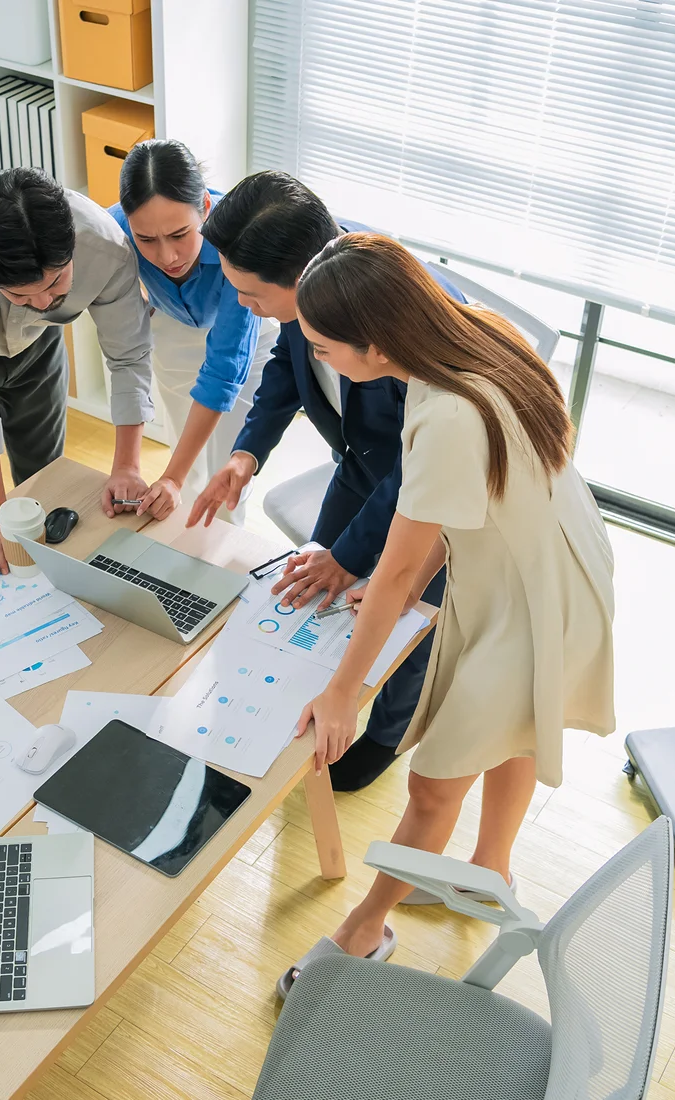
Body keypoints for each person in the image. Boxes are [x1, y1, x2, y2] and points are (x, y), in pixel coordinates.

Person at [278, 232, 614, 993]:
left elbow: (396, 570)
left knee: (431, 786)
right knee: (519, 726)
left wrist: (342, 692)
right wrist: (404, 575)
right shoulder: (479, 335)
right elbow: (449, 516)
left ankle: (363, 932)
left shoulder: (446, 411)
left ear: (377, 340)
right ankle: (486, 872)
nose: (322, 362)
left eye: (327, 350)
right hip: (555, 556)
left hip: (531, 594)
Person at [187, 171, 464, 790]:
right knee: (314, 588)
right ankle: (314, 696)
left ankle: (388, 734)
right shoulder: (311, 292)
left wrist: (349, 555)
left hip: (435, 492)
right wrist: (246, 453)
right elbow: (287, 365)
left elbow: (418, 470)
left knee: (412, 619)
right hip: (362, 462)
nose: (242, 307)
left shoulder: (396, 324)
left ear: (301, 277)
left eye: (253, 297)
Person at [0, 168, 153, 578]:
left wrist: (127, 466)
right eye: (19, 293)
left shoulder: (105, 247)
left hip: (36, 344)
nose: (41, 301)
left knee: (44, 481)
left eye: (56, 284)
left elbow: (128, 357)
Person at [108, 140, 278, 525]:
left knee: (225, 469)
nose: (167, 257)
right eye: (146, 240)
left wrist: (171, 477)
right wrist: (172, 477)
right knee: (185, 455)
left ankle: (226, 561)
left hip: (245, 330)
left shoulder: (240, 239)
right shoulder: (113, 228)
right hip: (172, 328)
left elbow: (222, 371)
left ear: (204, 207)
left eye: (180, 234)